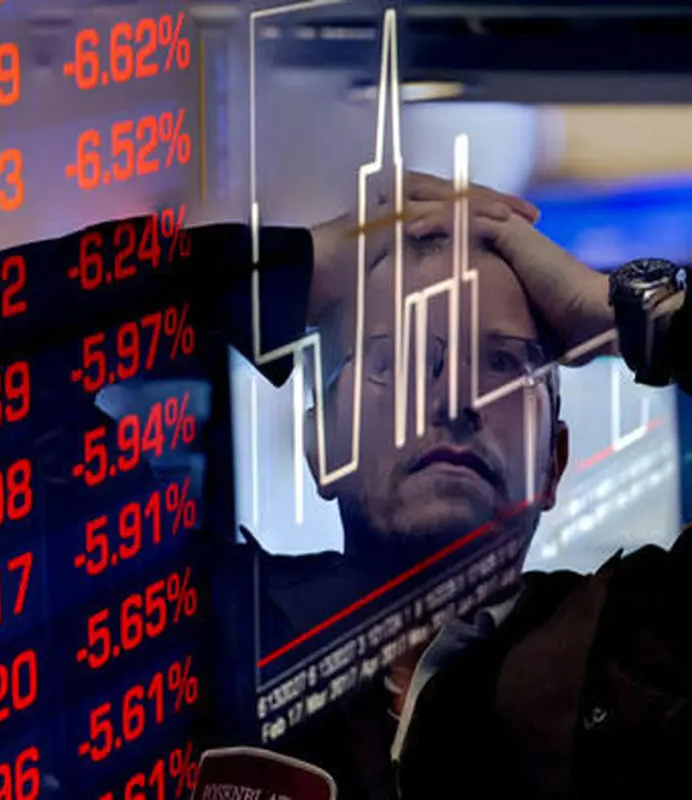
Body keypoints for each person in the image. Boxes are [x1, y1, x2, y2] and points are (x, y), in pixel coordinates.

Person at [239, 172, 692, 800]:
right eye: (396, 361)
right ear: (322, 445)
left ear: (553, 461)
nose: (455, 398)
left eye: (503, 363)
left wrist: (644, 317)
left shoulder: (642, 657)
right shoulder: (209, 633)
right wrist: (290, 273)